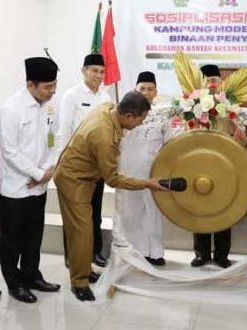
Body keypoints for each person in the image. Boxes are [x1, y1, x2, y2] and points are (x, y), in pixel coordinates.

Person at [54, 91, 167, 302]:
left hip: (85, 177)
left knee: (86, 230)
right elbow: (113, 179)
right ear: (129, 116)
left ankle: (85, 269)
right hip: (74, 181)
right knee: (82, 232)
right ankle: (79, 282)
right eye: (141, 119)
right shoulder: (103, 135)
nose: (141, 124)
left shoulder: (108, 108)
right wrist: (148, 184)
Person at [0, 57, 62, 304]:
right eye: (47, 87)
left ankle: (32, 275)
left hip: (40, 183)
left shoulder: (51, 105)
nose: (53, 91)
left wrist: (47, 170)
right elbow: (10, 151)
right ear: (31, 85)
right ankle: (14, 283)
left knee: (34, 236)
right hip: (16, 186)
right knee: (13, 238)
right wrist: (36, 173)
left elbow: (55, 138)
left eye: (54, 85)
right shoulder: (11, 108)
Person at [114, 71, 179, 266]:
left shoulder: (164, 114)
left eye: (150, 89)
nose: (146, 92)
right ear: (135, 89)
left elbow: (170, 143)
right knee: (130, 211)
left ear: (156, 91)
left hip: (154, 170)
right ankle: (132, 252)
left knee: (152, 211)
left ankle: (154, 253)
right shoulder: (123, 112)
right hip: (127, 168)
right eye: (142, 88)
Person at [56, 53, 111, 268]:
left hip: (96, 167)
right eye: (94, 70)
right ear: (83, 71)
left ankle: (95, 252)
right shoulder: (72, 95)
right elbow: (65, 131)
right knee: (74, 215)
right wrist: (63, 164)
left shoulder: (106, 99)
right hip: (75, 168)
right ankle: (72, 256)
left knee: (94, 212)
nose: (98, 75)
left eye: (101, 71)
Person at [190, 64, 234, 268]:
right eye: (208, 81)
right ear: (202, 84)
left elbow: (238, 132)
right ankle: (201, 253)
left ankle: (222, 255)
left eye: (215, 80)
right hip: (199, 165)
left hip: (225, 166)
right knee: (200, 209)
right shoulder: (190, 106)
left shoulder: (230, 105)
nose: (213, 84)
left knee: (225, 209)